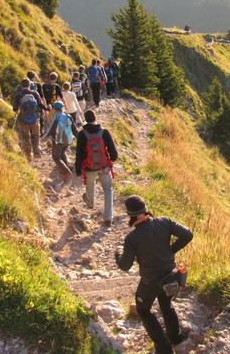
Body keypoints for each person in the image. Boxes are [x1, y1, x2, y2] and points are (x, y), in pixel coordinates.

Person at [115, 195, 193, 354]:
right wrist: (171, 250)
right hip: (170, 277)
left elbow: (125, 266)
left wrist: (117, 255)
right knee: (166, 303)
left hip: (150, 282)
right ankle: (176, 337)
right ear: (145, 209)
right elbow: (188, 235)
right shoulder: (164, 222)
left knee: (143, 310)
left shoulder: (132, 238)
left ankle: (164, 349)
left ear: (129, 215)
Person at [74, 109, 118, 226]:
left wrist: (78, 170)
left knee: (90, 186)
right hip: (104, 167)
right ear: (95, 118)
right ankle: (108, 218)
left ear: (85, 120)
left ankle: (90, 203)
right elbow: (114, 153)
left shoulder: (82, 134)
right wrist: (110, 162)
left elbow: (79, 154)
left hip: (89, 168)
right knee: (108, 190)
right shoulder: (104, 132)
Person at [12, 78, 49, 160]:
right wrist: (47, 109)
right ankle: (36, 151)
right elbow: (40, 105)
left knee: (26, 137)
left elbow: (15, 109)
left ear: (21, 86)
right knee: (36, 136)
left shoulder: (18, 95)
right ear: (29, 85)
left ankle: (28, 155)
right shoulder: (35, 93)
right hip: (35, 119)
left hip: (23, 120)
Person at [42, 101, 77, 180]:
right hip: (68, 139)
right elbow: (74, 130)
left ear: (54, 109)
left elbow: (50, 130)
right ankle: (66, 169)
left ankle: (67, 171)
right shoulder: (68, 116)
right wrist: (80, 137)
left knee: (56, 157)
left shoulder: (56, 117)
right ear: (62, 108)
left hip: (59, 140)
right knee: (62, 153)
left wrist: (43, 138)